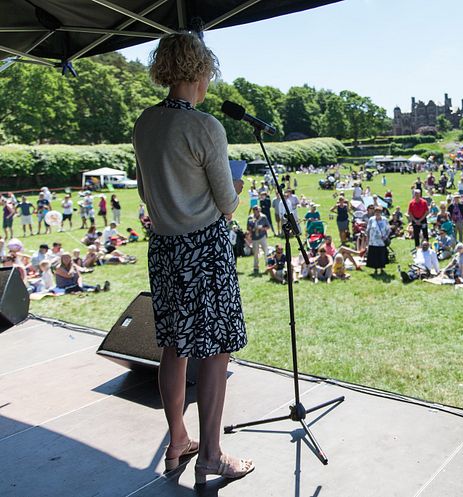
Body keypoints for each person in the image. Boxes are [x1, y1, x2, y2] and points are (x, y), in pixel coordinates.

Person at [132, 32, 252, 482]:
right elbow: (226, 202)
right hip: (204, 250)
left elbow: (145, 190)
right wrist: (235, 189)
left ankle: (178, 440)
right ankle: (212, 456)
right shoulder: (205, 127)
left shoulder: (145, 122)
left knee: (173, 347)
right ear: (202, 72)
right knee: (215, 352)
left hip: (163, 248)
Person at [366, 206, 390, 275]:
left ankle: (382, 268)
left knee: (381, 255)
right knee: (374, 256)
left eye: (379, 212)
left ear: (381, 213)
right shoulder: (371, 219)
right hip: (373, 242)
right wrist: (368, 239)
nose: (377, 213)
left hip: (381, 242)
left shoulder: (384, 220)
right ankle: (375, 269)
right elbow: (368, 230)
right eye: (376, 212)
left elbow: (388, 229)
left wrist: (385, 236)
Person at [246, 206, 270, 274]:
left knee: (266, 251)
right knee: (255, 253)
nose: (256, 212)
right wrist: (251, 230)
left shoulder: (263, 217)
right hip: (254, 238)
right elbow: (248, 228)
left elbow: (268, 227)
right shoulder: (250, 218)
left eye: (257, 211)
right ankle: (256, 267)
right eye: (255, 211)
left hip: (262, 237)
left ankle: (268, 265)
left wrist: (262, 228)